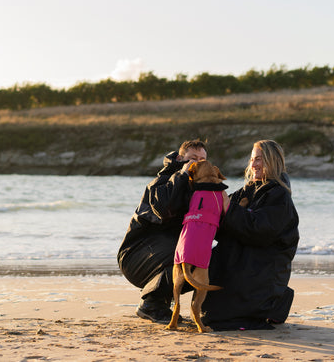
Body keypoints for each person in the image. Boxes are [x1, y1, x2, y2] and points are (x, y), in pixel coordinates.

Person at [201, 139, 299, 331]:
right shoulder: (248, 190)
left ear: (274, 162)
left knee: (219, 319)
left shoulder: (280, 196)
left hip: (262, 270)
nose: (253, 164)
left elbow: (258, 231)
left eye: (260, 159)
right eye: (252, 159)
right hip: (242, 265)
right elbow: (223, 223)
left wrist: (228, 207)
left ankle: (275, 304)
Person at [117, 139, 207, 323]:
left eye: (202, 160)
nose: (196, 164)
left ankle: (193, 308)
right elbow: (165, 209)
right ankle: (151, 304)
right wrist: (182, 175)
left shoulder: (199, 188)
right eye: (192, 159)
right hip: (135, 255)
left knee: (209, 258)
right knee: (185, 255)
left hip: (164, 255)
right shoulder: (160, 183)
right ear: (181, 158)